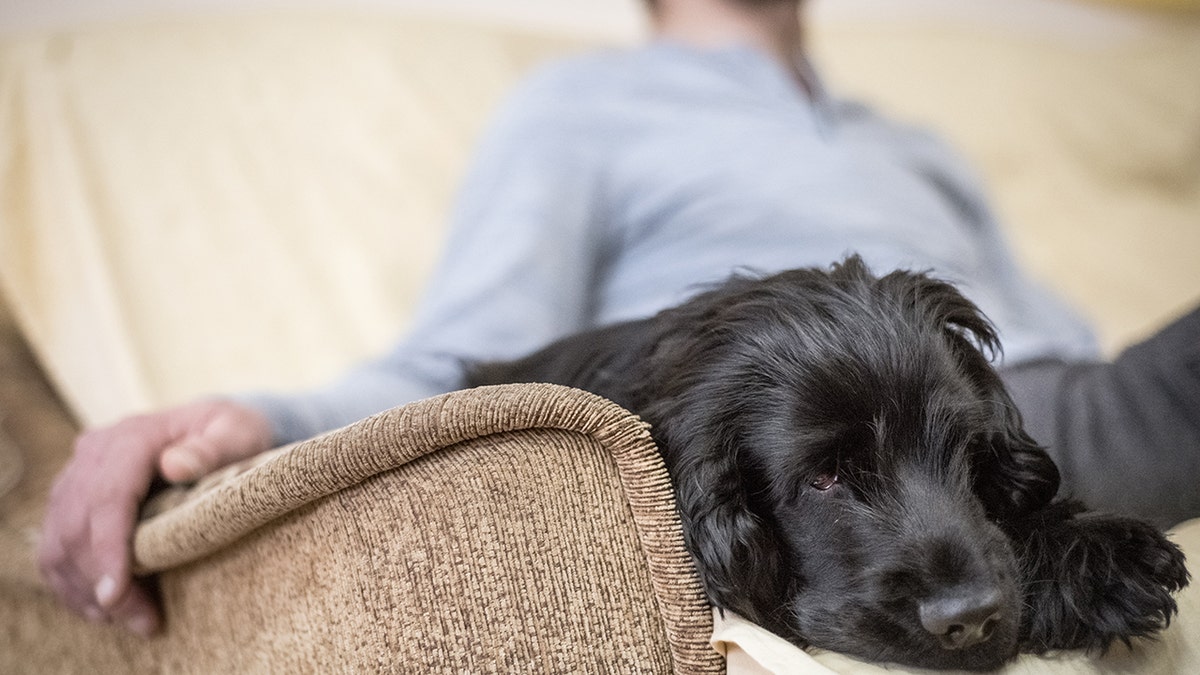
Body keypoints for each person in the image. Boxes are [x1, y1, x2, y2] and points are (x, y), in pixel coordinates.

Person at [38, 0, 1200, 640]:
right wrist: (254, 417)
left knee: (1088, 395)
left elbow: (1058, 342)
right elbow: (460, 359)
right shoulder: (580, 108)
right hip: (784, 401)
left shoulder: (918, 143)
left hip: (994, 403)